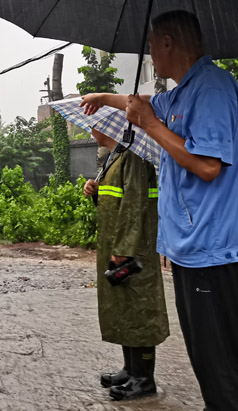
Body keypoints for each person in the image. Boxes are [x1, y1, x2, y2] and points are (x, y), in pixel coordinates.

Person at [80, 10, 238, 411]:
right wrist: (101, 98)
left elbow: (209, 166)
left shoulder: (210, 89)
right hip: (192, 251)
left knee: (218, 368)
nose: (150, 56)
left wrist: (151, 125)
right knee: (214, 364)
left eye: (150, 47)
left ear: (167, 43)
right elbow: (137, 103)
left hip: (213, 250)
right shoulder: (179, 93)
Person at [83, 128, 168, 401]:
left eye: (94, 123)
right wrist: (95, 191)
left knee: (139, 310)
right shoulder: (116, 156)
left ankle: (144, 378)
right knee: (123, 307)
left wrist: (123, 250)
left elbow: (135, 204)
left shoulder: (133, 156)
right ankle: (130, 370)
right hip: (115, 247)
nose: (91, 128)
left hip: (132, 251)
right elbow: (116, 198)